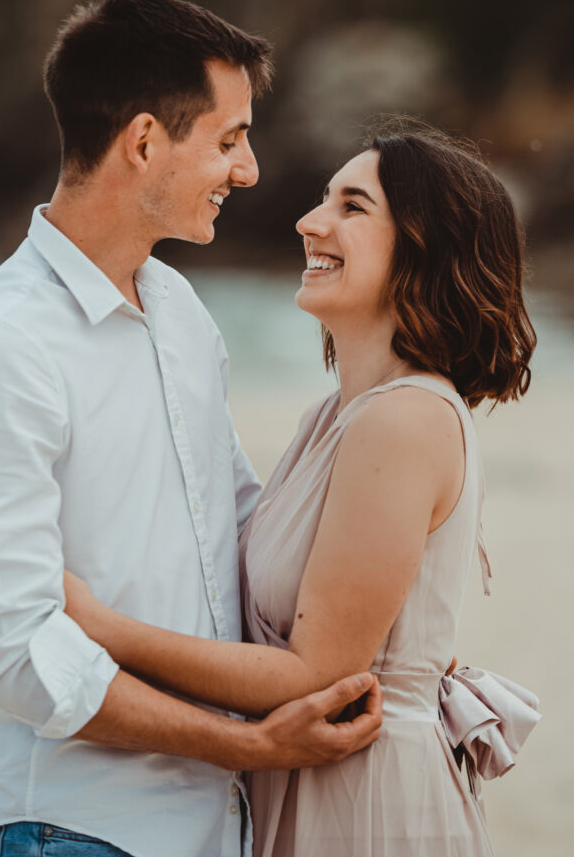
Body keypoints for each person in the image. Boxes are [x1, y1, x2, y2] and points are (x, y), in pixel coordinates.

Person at [0, 0, 382, 857]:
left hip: (214, 828)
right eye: (229, 139)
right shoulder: (2, 345)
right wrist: (246, 744)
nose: (248, 171)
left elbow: (242, 535)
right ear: (142, 142)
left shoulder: (177, 310)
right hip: (70, 830)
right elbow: (14, 652)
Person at [62, 120, 540, 856]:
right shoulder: (335, 418)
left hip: (367, 799)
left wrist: (103, 627)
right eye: (323, 199)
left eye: (352, 207)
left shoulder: (407, 418)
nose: (309, 222)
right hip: (316, 779)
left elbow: (320, 671)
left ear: (424, 246)